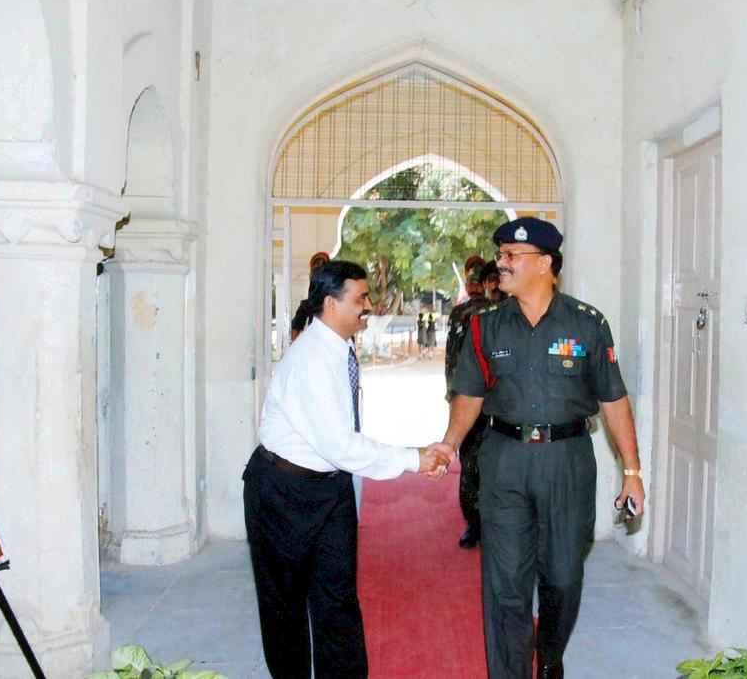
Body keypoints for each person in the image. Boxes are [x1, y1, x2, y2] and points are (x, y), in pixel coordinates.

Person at [439, 218, 646, 679]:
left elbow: (613, 398)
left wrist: (632, 471)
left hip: (566, 461)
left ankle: (550, 657)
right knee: (505, 585)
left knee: (564, 576)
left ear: (545, 263)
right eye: (501, 255)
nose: (501, 263)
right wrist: (449, 443)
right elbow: (469, 394)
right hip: (504, 460)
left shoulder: (587, 323)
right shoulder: (486, 326)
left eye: (512, 256)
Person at [244, 260, 452, 679]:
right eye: (360, 299)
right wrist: (414, 458)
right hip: (283, 491)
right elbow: (339, 445)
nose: (368, 306)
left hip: (330, 488)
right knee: (284, 607)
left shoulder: (338, 348)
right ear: (330, 303)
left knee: (337, 599)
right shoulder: (311, 359)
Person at [444, 261, 494, 548]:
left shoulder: (505, 311)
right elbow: (453, 357)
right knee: (471, 462)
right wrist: (454, 395)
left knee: (485, 464)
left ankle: (483, 524)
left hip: (496, 402)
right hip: (471, 398)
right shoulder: (462, 313)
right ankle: (474, 524)